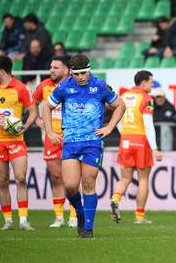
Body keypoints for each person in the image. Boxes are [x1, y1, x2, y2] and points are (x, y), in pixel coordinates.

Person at [42, 54, 126, 238]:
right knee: (70, 186)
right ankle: (79, 212)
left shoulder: (100, 86)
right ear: (71, 72)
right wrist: (49, 132)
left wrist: (110, 127)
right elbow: (46, 107)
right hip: (70, 142)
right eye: (77, 73)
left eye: (84, 73)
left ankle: (87, 228)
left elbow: (120, 105)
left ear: (89, 70)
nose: (80, 77)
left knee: (88, 184)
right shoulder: (64, 86)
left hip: (92, 143)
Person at [0, 55, 38, 231]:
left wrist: (26, 126)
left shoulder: (20, 88)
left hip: (16, 140)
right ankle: (8, 220)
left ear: (2, 71)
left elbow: (33, 111)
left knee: (21, 179)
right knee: (2, 181)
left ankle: (24, 220)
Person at [110, 70, 163, 225]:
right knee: (143, 179)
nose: (152, 85)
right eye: (151, 82)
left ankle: (115, 198)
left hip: (125, 139)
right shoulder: (147, 98)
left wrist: (125, 135)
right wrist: (154, 148)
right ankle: (139, 217)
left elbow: (117, 119)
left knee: (125, 178)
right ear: (144, 83)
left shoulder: (124, 96)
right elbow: (148, 124)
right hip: (141, 141)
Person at [32, 56, 77, 228]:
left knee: (71, 180)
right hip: (51, 138)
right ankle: (59, 217)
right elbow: (32, 104)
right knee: (57, 178)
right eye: (51, 67)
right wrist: (36, 120)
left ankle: (74, 215)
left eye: (56, 68)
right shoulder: (44, 86)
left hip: (70, 138)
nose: (51, 70)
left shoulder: (73, 85)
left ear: (66, 70)